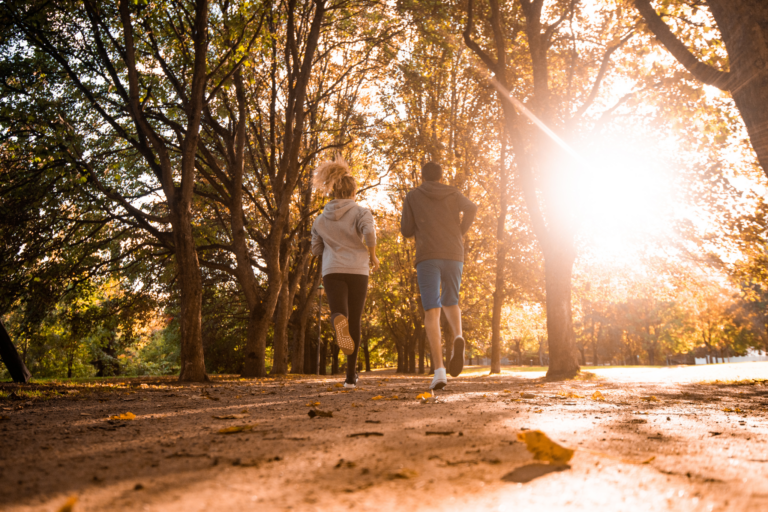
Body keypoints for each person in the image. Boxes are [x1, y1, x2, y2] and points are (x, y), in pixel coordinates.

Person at [401, 162, 477, 390]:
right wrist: (458, 232)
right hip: (454, 254)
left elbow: (405, 231)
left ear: (423, 177)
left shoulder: (413, 196)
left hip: (427, 256)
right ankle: (458, 337)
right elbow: (472, 208)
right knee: (451, 301)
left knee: (431, 311)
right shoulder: (453, 192)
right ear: (441, 176)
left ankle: (440, 372)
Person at [311, 155, 379, 388]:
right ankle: (351, 376)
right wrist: (372, 255)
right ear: (353, 192)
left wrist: (330, 242)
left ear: (333, 191)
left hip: (332, 270)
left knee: (340, 313)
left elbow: (316, 249)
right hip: (358, 270)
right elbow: (369, 233)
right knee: (356, 321)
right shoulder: (361, 212)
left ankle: (337, 319)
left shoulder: (320, 219)